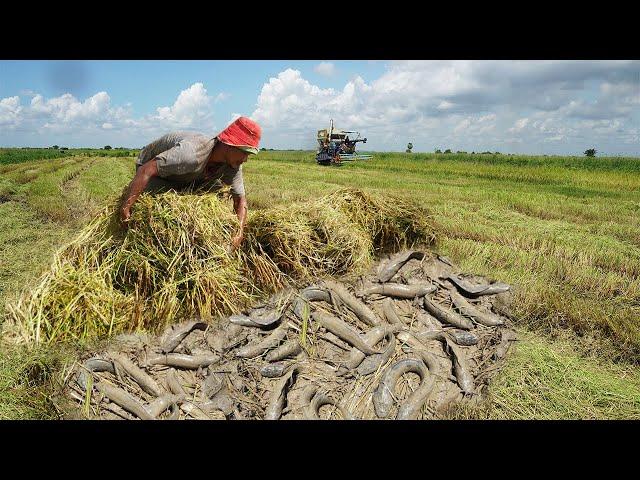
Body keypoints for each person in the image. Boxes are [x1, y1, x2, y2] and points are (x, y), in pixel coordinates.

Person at [120, 116, 261, 250]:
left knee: (217, 190)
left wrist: (239, 232)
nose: (246, 159)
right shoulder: (190, 154)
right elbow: (146, 170)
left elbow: (240, 200)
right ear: (230, 145)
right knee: (163, 201)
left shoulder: (232, 165)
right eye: (245, 153)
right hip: (155, 171)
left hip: (191, 174)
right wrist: (126, 208)